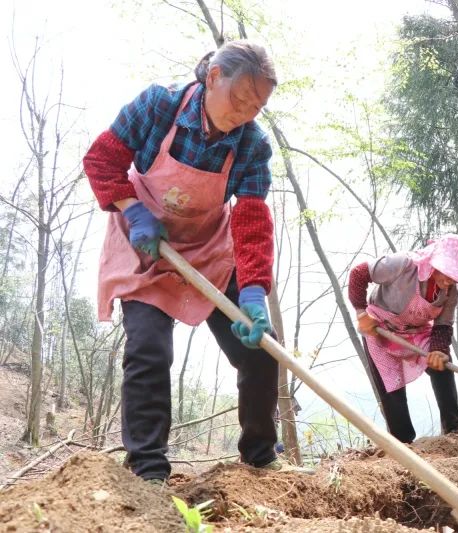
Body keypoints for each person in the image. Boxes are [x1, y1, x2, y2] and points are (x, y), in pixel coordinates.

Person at [83, 40, 288, 483]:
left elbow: (252, 218)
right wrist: (134, 212)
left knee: (261, 348)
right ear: (213, 77)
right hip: (143, 246)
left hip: (209, 250)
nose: (245, 113)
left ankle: (260, 457)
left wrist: (252, 291)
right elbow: (101, 160)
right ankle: (148, 470)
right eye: (239, 99)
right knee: (149, 350)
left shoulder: (252, 145)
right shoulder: (159, 105)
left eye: (257, 106)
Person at [347, 234, 458, 443]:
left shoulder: (451, 292)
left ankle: (453, 429)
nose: (448, 280)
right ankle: (403, 442)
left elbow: (443, 325)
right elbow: (359, 273)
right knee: (392, 384)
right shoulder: (403, 265)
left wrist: (438, 350)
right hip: (380, 327)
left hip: (416, 331)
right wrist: (361, 313)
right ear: (434, 260)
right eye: (446, 271)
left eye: (455, 275)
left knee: (442, 365)